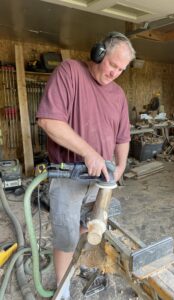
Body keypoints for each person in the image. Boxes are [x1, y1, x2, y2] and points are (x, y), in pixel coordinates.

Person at [36, 31, 135, 299]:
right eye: (112, 65)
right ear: (98, 53)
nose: (115, 72)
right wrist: (89, 152)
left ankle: (71, 264)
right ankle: (63, 290)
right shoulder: (70, 72)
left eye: (121, 69)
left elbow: (123, 137)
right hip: (69, 175)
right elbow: (48, 121)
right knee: (65, 235)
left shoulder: (118, 94)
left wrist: (122, 165)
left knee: (89, 226)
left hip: (100, 180)